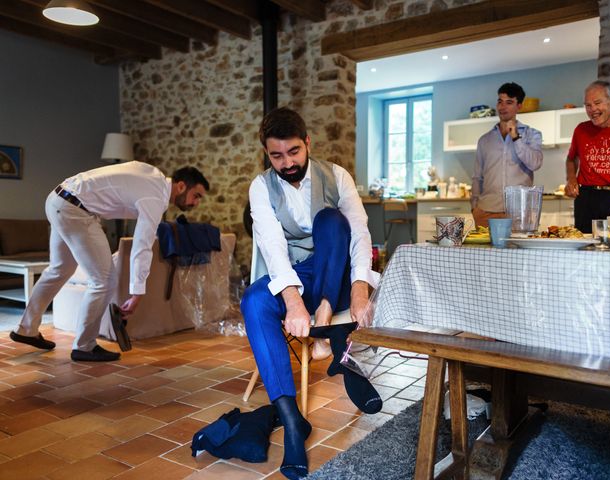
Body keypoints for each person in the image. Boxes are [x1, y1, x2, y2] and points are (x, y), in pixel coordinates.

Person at [241, 107, 379, 479]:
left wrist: (360, 289)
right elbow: (272, 246)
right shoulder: (260, 187)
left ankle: (329, 327)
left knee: (333, 221)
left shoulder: (336, 176)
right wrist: (292, 300)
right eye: (276, 156)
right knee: (253, 302)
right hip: (298, 277)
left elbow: (360, 233)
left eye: (294, 152)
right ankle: (293, 422)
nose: (287, 163)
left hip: (335, 280)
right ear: (267, 154)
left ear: (308, 143)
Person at [10, 162, 209, 362]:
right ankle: (84, 346)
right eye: (197, 195)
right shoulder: (155, 195)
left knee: (59, 269)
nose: (196, 202)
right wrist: (137, 292)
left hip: (58, 199)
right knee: (104, 280)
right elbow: (142, 244)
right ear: (181, 186)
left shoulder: (152, 176)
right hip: (75, 209)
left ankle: (26, 329)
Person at [564, 80, 610, 233]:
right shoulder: (581, 129)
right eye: (588, 105)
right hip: (587, 198)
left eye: (597, 103)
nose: (593, 109)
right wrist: (571, 179)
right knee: (585, 246)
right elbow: (571, 158)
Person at [471, 82, 543, 227]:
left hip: (519, 212)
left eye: (509, 102)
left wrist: (516, 137)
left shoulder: (532, 134)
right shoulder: (485, 140)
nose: (503, 107)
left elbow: (535, 163)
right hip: (486, 212)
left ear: (519, 106)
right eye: (500, 102)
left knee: (517, 250)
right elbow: (477, 176)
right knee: (483, 250)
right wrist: (474, 207)